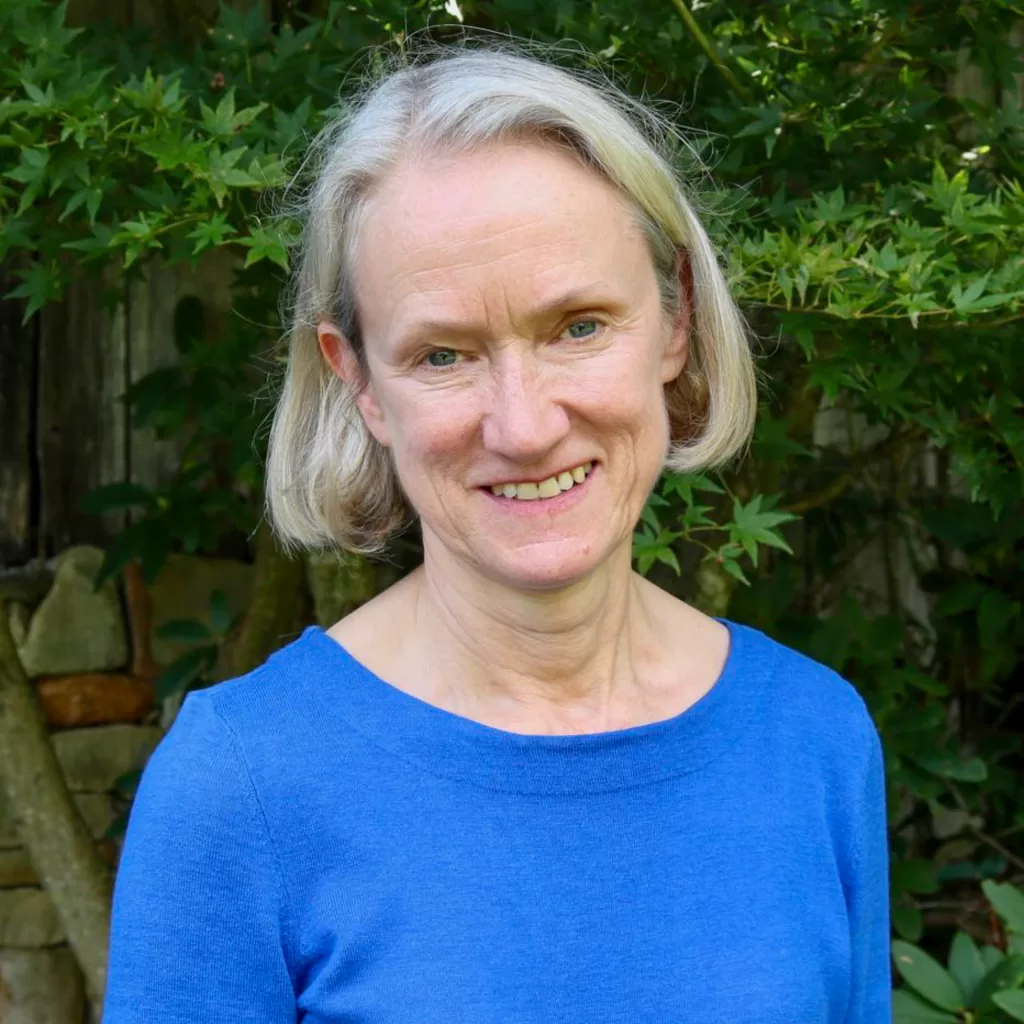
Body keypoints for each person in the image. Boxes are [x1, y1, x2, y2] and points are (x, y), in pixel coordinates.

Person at [100, 40, 891, 1024]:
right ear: (359, 382)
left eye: (578, 326)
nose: (522, 425)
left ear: (674, 320)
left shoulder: (811, 738)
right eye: (442, 353)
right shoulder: (242, 785)